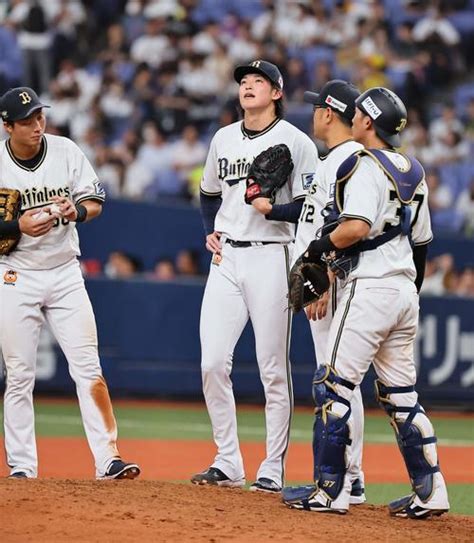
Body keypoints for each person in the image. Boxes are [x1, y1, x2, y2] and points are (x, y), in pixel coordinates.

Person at [283, 87, 449, 518]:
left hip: (371, 286)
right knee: (401, 397)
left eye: (359, 114)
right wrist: (411, 290)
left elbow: (355, 226)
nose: (353, 118)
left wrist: (317, 249)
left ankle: (331, 491)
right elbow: (422, 243)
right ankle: (431, 494)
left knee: (333, 386)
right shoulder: (414, 169)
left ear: (368, 123)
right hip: (404, 291)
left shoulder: (364, 165)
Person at [0, 87, 140, 480]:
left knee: (88, 368)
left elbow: (95, 201)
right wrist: (17, 225)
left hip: (64, 272)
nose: (36, 125)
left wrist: (75, 211)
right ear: (8, 125)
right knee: (19, 373)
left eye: (40, 116)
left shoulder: (65, 151)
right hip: (15, 272)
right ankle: (23, 467)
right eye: (26, 120)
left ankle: (107, 458)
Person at [192, 60, 317, 492]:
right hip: (226, 257)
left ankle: (272, 465)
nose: (247, 87)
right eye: (243, 81)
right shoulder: (223, 137)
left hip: (273, 255)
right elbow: (209, 193)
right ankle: (228, 461)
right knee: (211, 363)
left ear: (277, 92)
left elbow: (310, 207)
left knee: (272, 369)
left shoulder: (296, 142)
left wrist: (274, 209)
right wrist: (210, 230)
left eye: (257, 81)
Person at [287, 80, 367, 505]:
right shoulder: (334, 159)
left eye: (318, 107)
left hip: (333, 284)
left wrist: (326, 277)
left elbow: (350, 230)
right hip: (328, 280)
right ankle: (350, 477)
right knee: (340, 381)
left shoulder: (348, 159)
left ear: (329, 113)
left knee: (335, 381)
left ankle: (343, 479)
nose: (314, 113)